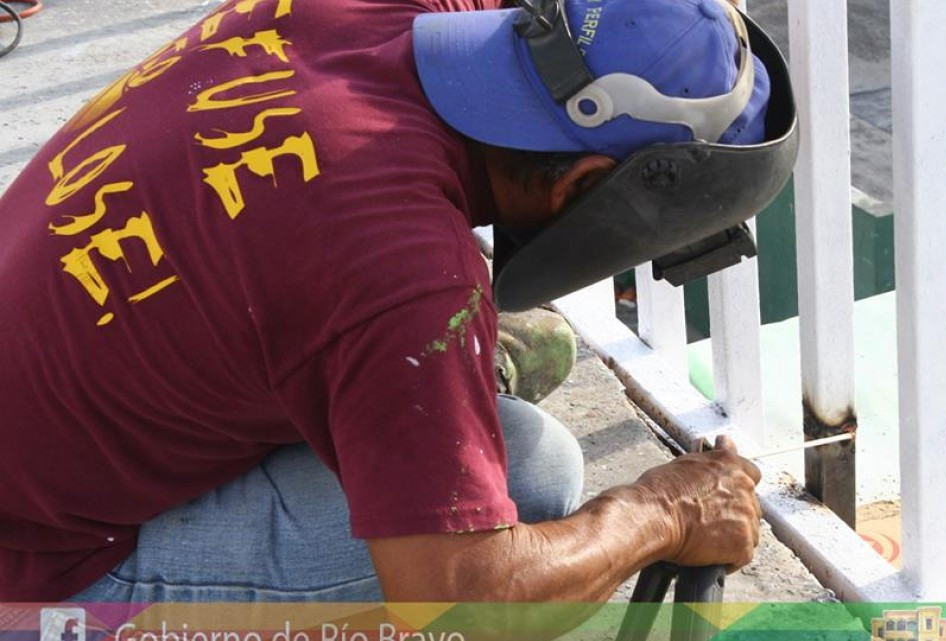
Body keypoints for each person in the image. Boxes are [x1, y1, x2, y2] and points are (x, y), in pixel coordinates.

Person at [0, 0, 782, 603]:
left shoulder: (395, 13)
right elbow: (461, 598)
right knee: (532, 477)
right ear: (581, 183)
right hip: (35, 563)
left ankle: (404, 404)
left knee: (446, 360)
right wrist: (663, 513)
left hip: (41, 386)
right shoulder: (407, 272)